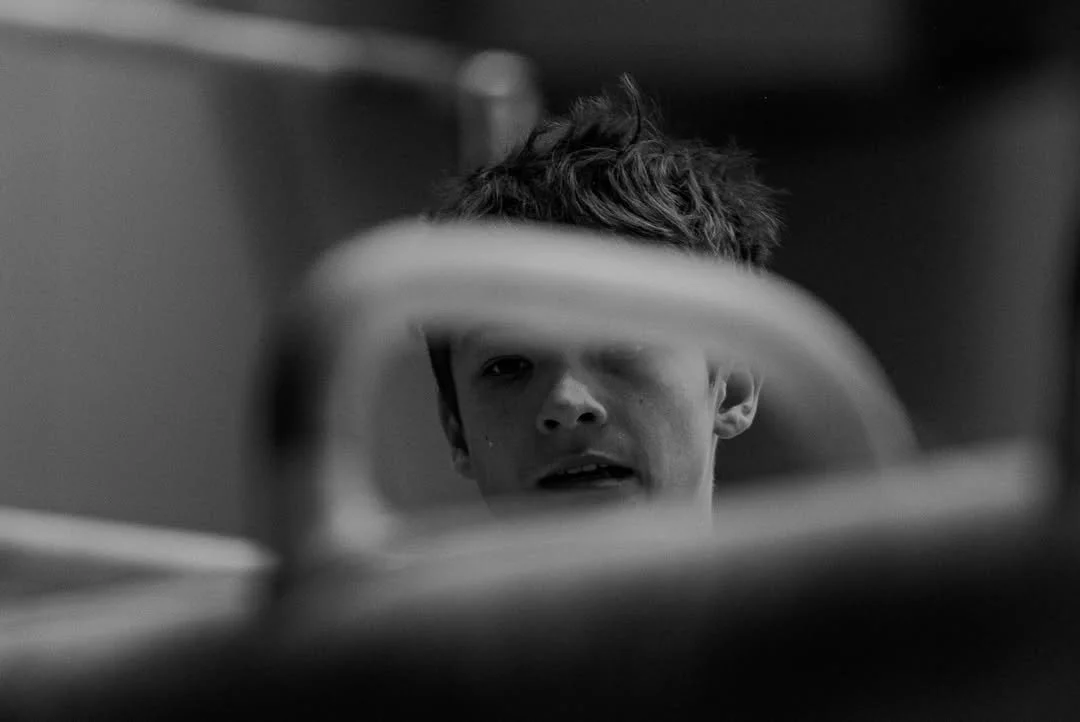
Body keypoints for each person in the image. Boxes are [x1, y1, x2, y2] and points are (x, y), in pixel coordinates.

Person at [421, 76, 782, 515]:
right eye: (508, 366)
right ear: (457, 430)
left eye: (625, 345)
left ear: (734, 389)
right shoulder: (367, 584)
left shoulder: (866, 581)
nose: (566, 403)